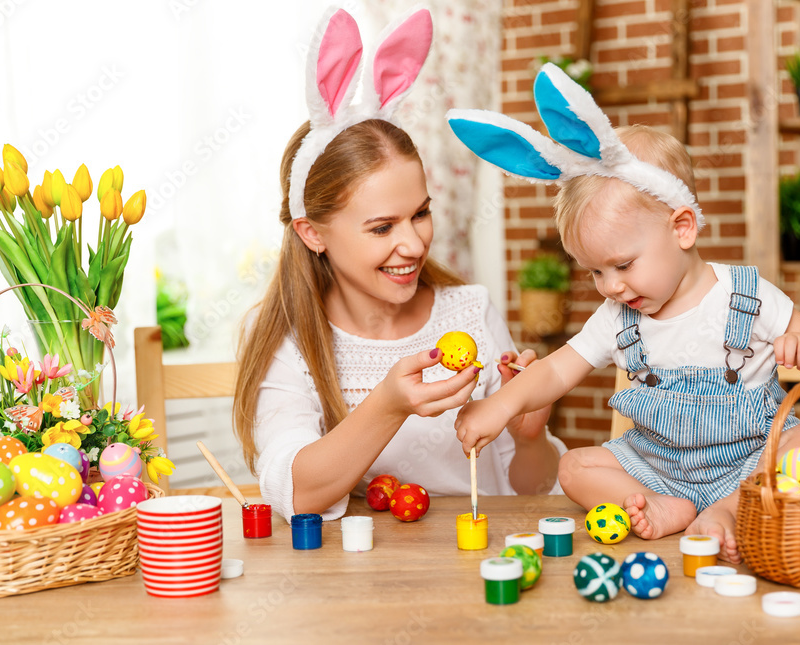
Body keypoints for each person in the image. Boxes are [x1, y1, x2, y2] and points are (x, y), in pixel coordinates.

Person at [447, 64, 800, 563]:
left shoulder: (744, 293)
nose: (611, 286)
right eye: (593, 272)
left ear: (681, 228)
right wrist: (501, 405)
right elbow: (553, 371)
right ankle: (664, 507)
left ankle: (730, 506)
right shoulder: (619, 316)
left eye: (622, 265)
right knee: (574, 467)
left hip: (750, 460)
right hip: (655, 465)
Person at [232, 7, 564, 522]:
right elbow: (295, 492)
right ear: (312, 233)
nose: (413, 244)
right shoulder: (288, 336)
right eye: (382, 228)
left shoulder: (469, 312)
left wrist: (529, 437)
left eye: (422, 214)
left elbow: (527, 490)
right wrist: (389, 403)